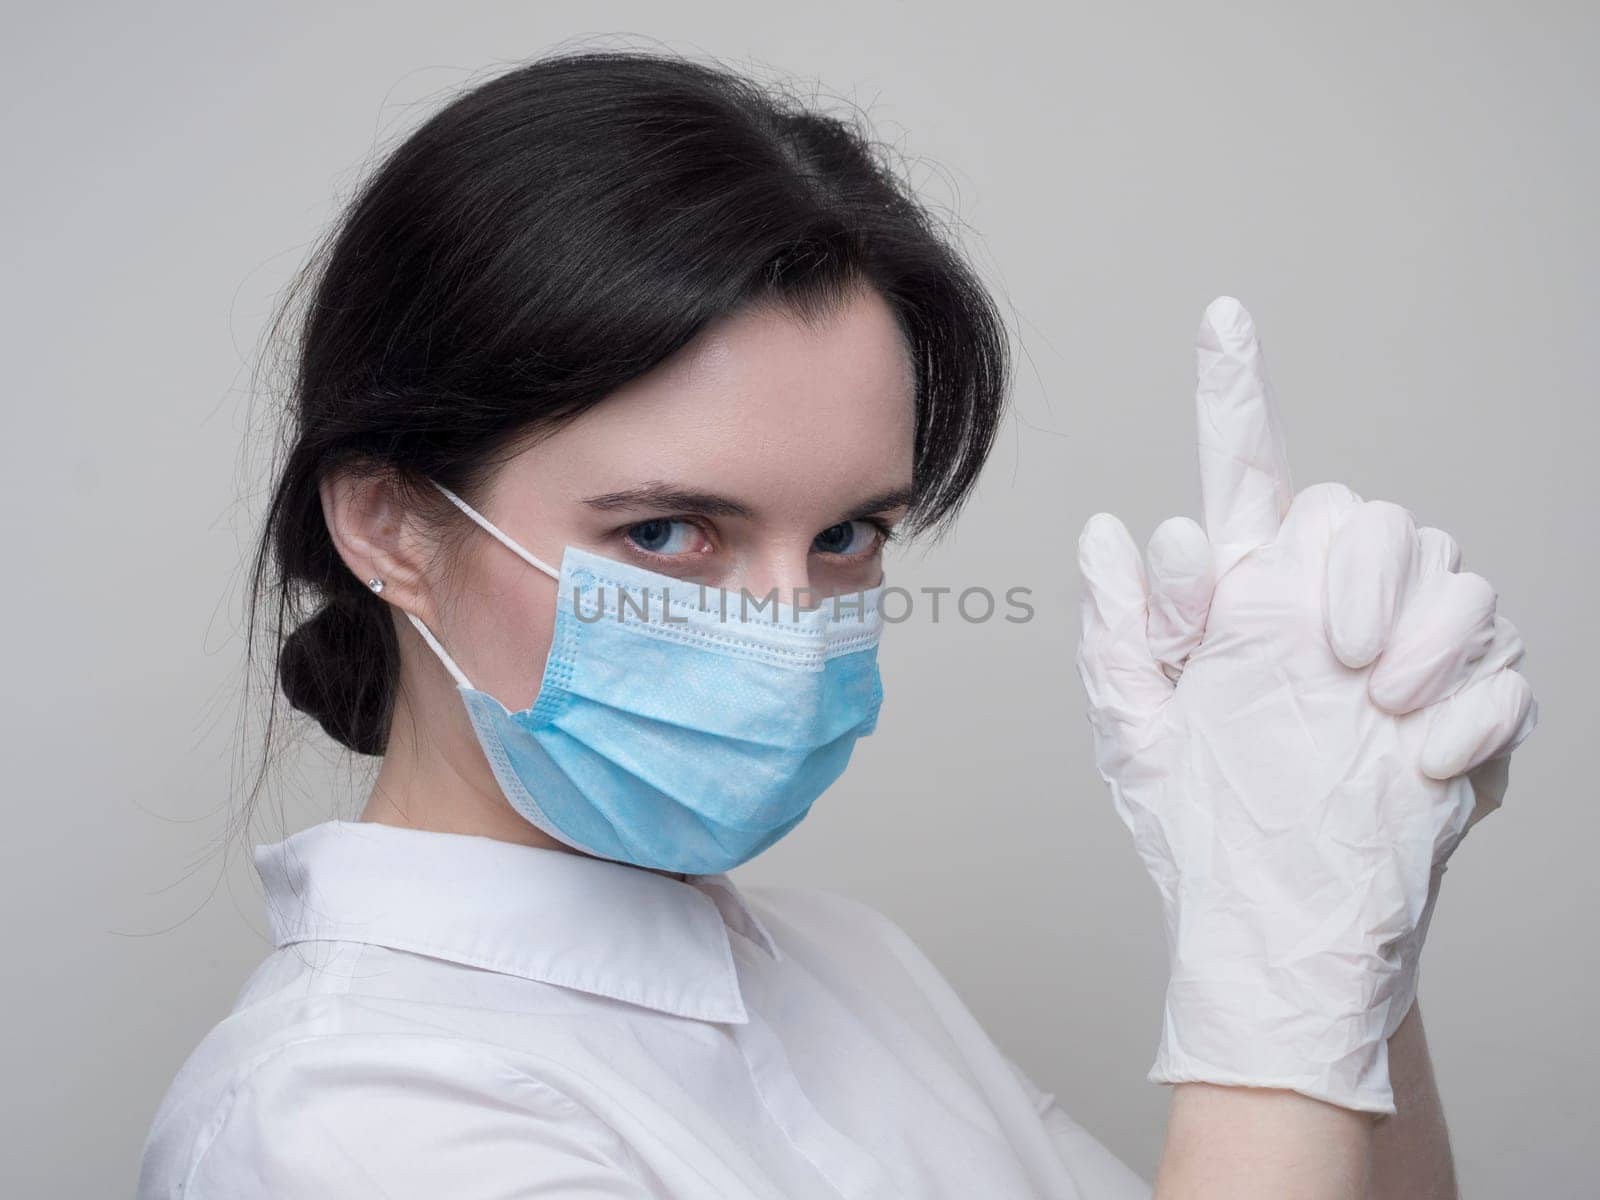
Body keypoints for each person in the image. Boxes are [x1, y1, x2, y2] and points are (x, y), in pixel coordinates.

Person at [136, 48, 1538, 1199]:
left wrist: (1348, 942)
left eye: (850, 534)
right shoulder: (339, 1123)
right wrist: (1266, 1005)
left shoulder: (849, 967)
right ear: (390, 526)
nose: (786, 625)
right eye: (667, 532)